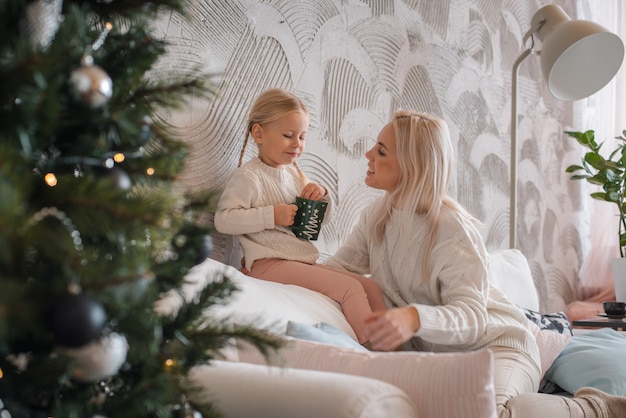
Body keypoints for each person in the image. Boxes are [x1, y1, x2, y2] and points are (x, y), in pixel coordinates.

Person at [324, 109, 626, 418]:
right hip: (451, 363)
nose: (368, 153)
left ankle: (598, 408)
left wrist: (414, 318)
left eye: (381, 150)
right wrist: (281, 243)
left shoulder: (451, 228)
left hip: (501, 346)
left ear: (412, 166)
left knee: (490, 413)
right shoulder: (376, 216)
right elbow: (335, 271)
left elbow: (472, 317)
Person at [214, 88, 386, 345]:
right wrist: (272, 215)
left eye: (302, 137)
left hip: (298, 261)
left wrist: (322, 196)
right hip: (268, 264)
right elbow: (223, 219)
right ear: (259, 133)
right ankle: (373, 351)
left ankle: (397, 351)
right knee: (350, 290)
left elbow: (322, 221)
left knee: (371, 287)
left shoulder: (294, 175)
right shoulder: (248, 177)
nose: (297, 144)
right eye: (288, 135)